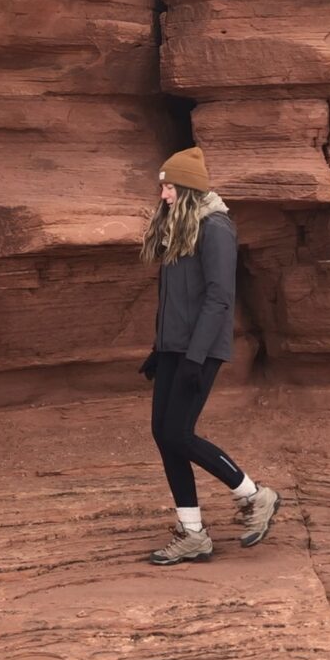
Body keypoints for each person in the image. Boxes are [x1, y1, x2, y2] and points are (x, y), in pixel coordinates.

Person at [139, 145, 280, 566]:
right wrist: (158, 350)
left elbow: (219, 297)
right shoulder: (178, 230)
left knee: (179, 433)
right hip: (172, 348)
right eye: (163, 186)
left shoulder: (216, 227)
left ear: (189, 188)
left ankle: (256, 496)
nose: (163, 194)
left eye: (169, 187)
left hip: (198, 350)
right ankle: (193, 533)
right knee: (164, 435)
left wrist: (195, 358)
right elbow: (175, 300)